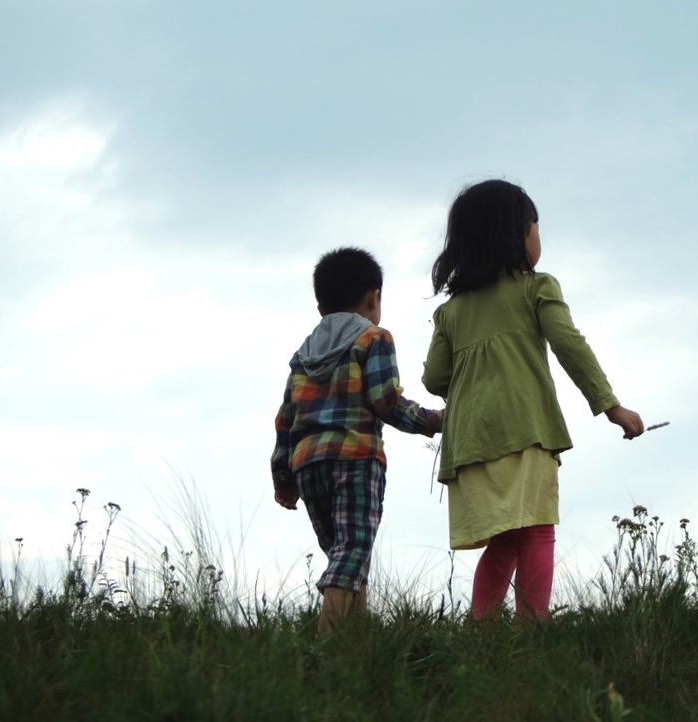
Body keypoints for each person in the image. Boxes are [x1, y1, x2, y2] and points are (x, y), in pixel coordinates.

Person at [423, 179, 645, 621]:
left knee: (504, 540)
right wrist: (611, 406)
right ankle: (533, 633)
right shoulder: (536, 288)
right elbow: (569, 345)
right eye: (535, 228)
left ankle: (482, 632)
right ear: (517, 235)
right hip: (525, 429)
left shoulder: (449, 312)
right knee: (539, 533)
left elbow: (434, 378)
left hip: (469, 442)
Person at [271, 247, 443, 635]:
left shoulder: (302, 356)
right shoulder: (373, 338)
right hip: (356, 460)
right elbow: (386, 401)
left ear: (320, 307)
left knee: (344, 556)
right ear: (373, 297)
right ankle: (326, 646)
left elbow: (286, 420)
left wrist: (284, 479)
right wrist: (433, 420)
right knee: (351, 553)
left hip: (308, 465)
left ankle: (357, 644)